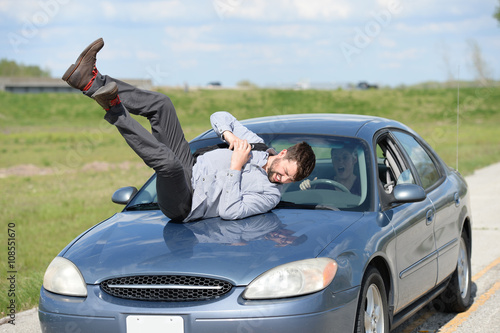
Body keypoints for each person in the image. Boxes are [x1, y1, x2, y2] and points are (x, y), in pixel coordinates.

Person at [62, 38, 316, 222]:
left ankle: (114, 107)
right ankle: (90, 81)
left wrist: (236, 167)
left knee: (168, 165)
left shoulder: (269, 195)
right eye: (283, 173)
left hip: (186, 201)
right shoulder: (257, 145)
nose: (280, 181)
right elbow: (220, 116)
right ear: (282, 154)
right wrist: (229, 135)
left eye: (288, 181)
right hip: (190, 165)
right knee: (162, 105)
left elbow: (230, 211)